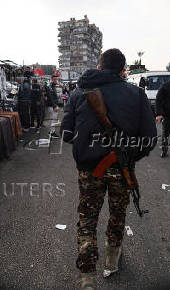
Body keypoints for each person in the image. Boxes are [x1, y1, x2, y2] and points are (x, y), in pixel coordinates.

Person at [61, 48, 156, 289]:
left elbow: (66, 133)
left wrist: (86, 145)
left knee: (87, 220)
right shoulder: (136, 94)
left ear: (100, 66)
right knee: (117, 216)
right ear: (123, 70)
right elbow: (150, 137)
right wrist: (130, 156)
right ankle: (111, 262)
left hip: (89, 170)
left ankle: (87, 276)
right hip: (120, 170)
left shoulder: (78, 92)